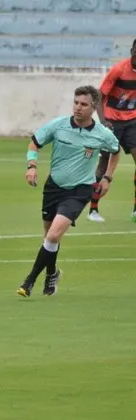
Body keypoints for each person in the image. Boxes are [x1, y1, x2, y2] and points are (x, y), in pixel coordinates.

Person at [17, 86, 120, 298]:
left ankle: (29, 281)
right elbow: (33, 144)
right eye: (76, 103)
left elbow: (115, 151)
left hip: (80, 190)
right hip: (53, 187)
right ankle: (52, 274)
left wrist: (108, 178)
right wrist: (32, 166)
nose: (78, 108)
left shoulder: (103, 134)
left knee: (54, 234)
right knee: (49, 237)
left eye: (83, 104)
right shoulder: (59, 125)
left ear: (93, 108)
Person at [87, 38, 136, 223]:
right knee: (104, 163)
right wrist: (103, 121)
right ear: (131, 50)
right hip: (113, 121)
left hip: (132, 121)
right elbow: (99, 97)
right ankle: (93, 210)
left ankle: (135, 210)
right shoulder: (119, 70)